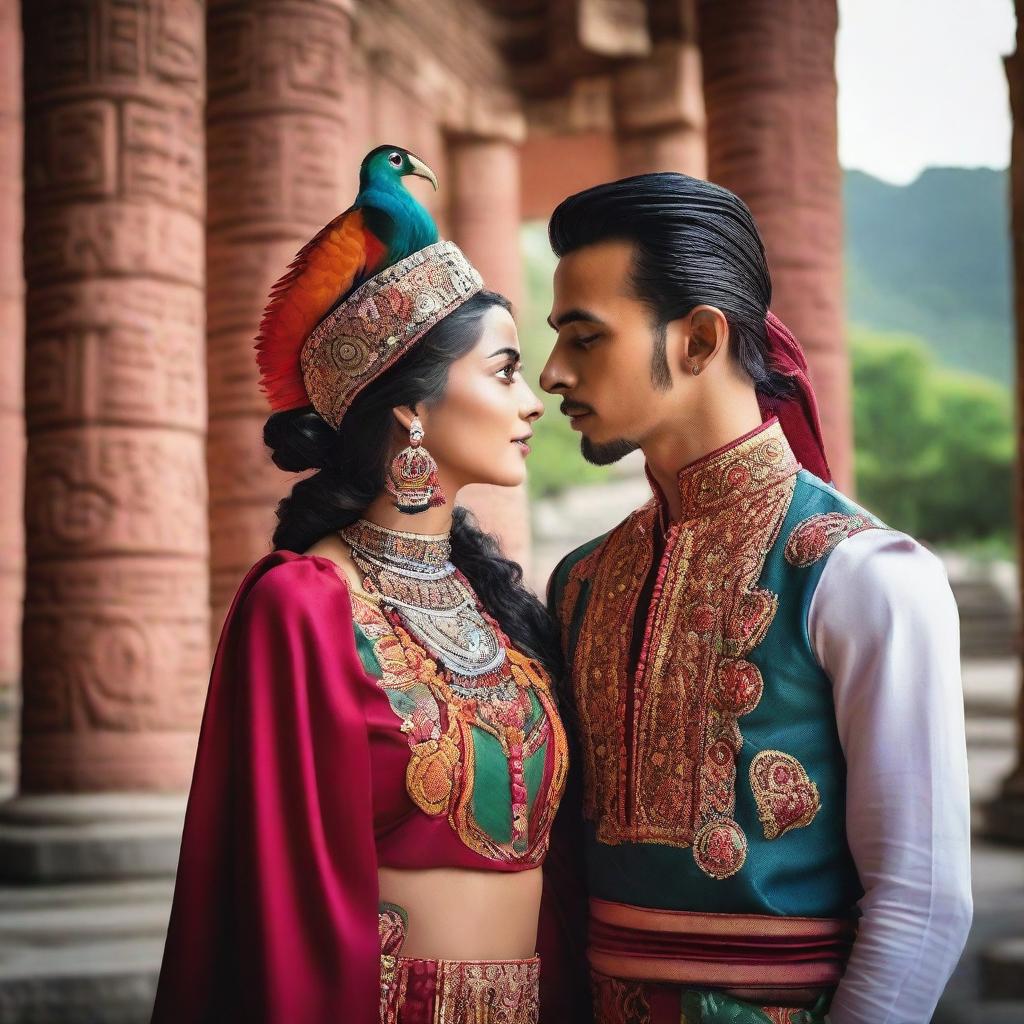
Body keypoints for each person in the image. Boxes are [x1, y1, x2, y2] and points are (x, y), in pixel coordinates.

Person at [538, 172, 973, 1024]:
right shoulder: (582, 581)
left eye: (586, 339)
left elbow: (921, 903)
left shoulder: (864, 575)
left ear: (700, 339)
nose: (554, 373)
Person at [150, 163, 567, 1020]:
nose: (532, 404)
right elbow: (280, 902)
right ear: (412, 409)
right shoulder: (303, 604)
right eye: (503, 373)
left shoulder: (499, 603)